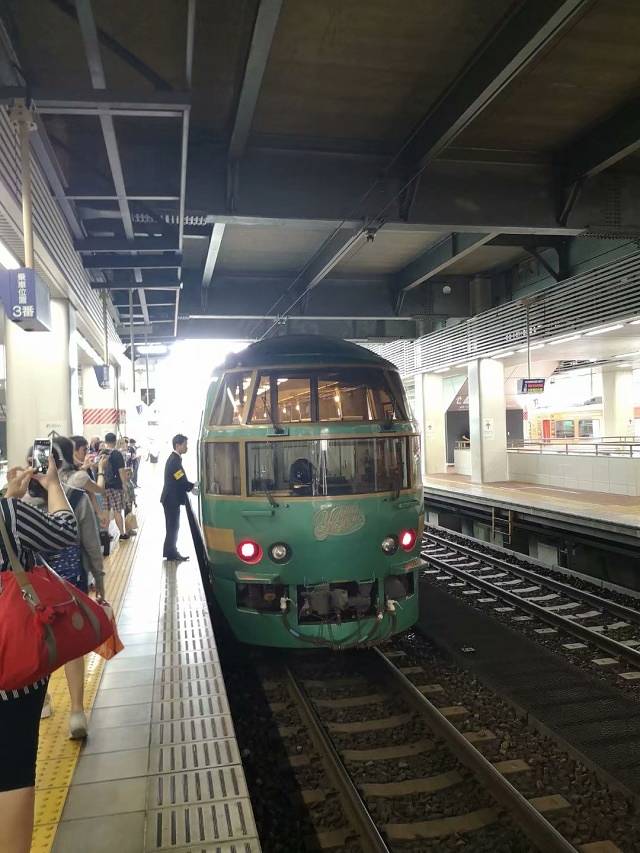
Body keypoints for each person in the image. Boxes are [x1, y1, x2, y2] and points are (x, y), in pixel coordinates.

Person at [0, 458, 77, 853]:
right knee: (12, 772)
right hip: (9, 670)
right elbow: (65, 531)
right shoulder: (8, 515)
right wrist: (53, 486)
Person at [25, 438, 105, 737]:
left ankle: (44, 702)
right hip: (71, 588)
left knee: (40, 644)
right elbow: (91, 544)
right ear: (57, 466)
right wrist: (100, 580)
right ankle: (77, 713)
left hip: (34, 594)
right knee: (71, 645)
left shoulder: (19, 507)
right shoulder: (77, 497)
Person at [160, 434, 194, 561]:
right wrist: (192, 487)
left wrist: (190, 486)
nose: (187, 447)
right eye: (185, 445)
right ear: (177, 445)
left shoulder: (175, 459)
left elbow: (180, 478)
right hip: (171, 499)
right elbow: (180, 479)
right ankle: (171, 553)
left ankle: (170, 552)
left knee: (172, 526)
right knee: (173, 527)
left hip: (170, 499)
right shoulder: (174, 461)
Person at [103, 432, 130, 540]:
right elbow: (121, 471)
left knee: (106, 509)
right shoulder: (117, 454)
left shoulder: (102, 453)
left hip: (104, 486)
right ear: (115, 441)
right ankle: (122, 534)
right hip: (116, 486)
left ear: (105, 441)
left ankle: (105, 533)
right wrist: (124, 484)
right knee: (117, 510)